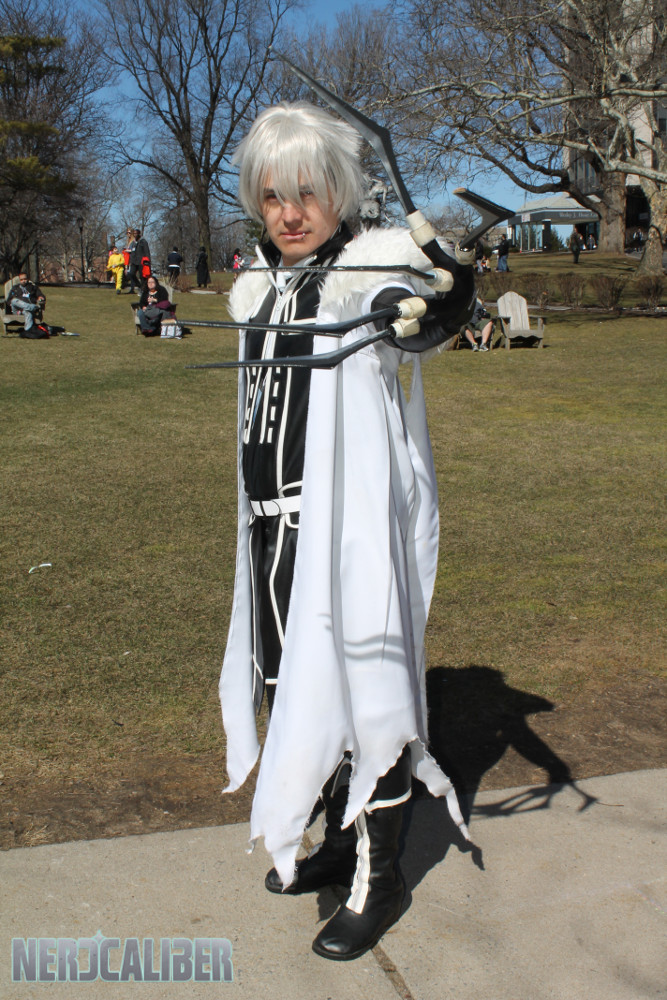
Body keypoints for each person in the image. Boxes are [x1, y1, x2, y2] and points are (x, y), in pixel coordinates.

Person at [219, 101, 475, 962]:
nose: (289, 213)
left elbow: (412, 315)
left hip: (344, 539)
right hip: (270, 535)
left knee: (367, 695)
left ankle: (379, 875)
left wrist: (446, 303)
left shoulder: (369, 272)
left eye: (307, 193)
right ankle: (336, 835)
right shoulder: (260, 288)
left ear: (339, 193)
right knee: (290, 686)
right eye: (272, 196)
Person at [129, 229, 151, 293]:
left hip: (141, 262)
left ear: (139, 234)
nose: (135, 235)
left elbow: (147, 251)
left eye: (136, 233)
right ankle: (139, 285)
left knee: (142, 277)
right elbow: (132, 251)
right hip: (134, 261)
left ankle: (143, 290)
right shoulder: (133, 243)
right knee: (131, 273)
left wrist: (147, 261)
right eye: (134, 234)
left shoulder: (143, 242)